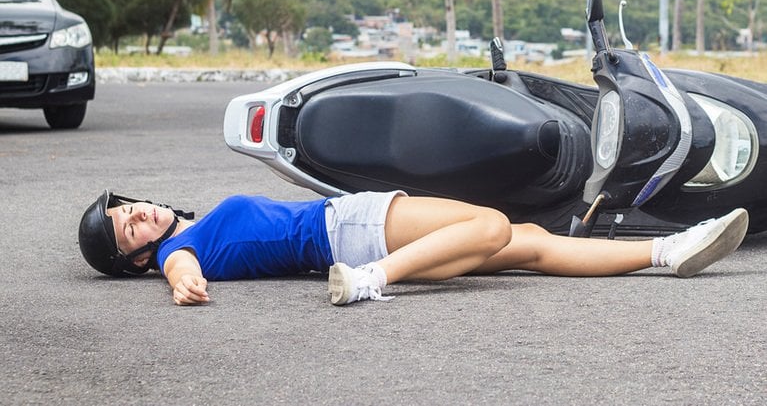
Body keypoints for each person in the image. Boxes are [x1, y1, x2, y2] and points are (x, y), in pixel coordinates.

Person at [78, 189, 750, 306]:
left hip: (337, 231)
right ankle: (373, 279)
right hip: (343, 230)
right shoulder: (176, 252)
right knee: (491, 224)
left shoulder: (183, 234)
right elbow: (184, 268)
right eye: (126, 228)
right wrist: (180, 281)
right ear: (136, 258)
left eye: (125, 208)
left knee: (535, 241)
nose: (135, 214)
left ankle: (668, 250)